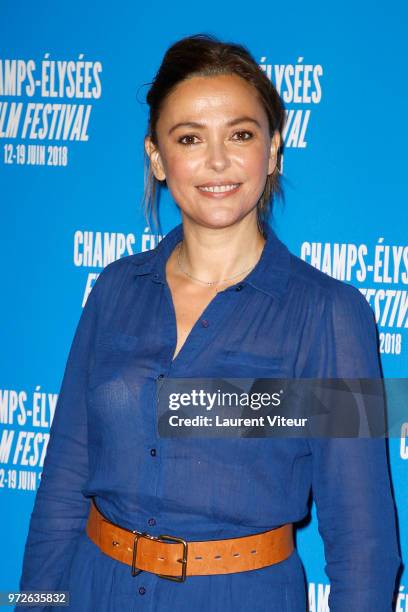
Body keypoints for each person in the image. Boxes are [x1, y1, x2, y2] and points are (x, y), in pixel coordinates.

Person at [18, 34, 400, 611]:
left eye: (241, 135)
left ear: (273, 151)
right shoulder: (115, 289)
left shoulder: (331, 316)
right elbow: (64, 484)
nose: (217, 161)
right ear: (157, 158)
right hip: (94, 589)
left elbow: (364, 541)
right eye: (190, 138)